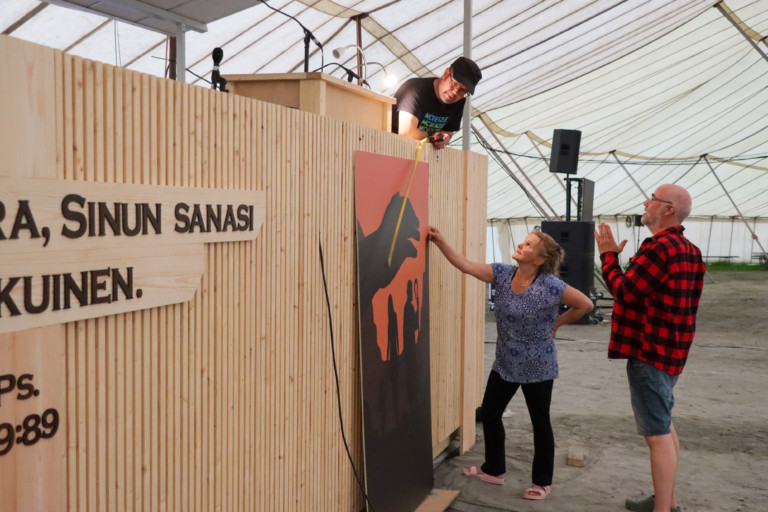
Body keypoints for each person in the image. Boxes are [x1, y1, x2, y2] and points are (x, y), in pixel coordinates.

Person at [428, 226, 593, 500]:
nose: (521, 245)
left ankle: (541, 482)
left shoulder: (550, 285)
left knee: (540, 422)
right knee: (490, 413)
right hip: (505, 362)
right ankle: (494, 470)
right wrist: (440, 241)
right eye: (524, 241)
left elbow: (585, 304)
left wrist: (556, 324)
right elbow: (466, 265)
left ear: (539, 259)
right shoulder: (502, 274)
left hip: (538, 366)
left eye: (529, 245)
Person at [595, 184, 706, 512]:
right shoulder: (690, 250)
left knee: (657, 435)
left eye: (653, 199)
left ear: (668, 209)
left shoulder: (659, 247)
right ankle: (666, 501)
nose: (646, 203)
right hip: (672, 353)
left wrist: (608, 257)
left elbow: (624, 292)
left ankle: (663, 509)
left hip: (650, 353)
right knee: (664, 426)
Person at [392, 56, 482, 149]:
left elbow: (448, 132)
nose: (455, 92)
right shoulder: (414, 89)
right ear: (446, 73)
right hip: (389, 147)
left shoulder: (458, 102)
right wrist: (432, 137)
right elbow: (407, 133)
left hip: (418, 153)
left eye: (463, 90)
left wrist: (445, 138)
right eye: (454, 84)